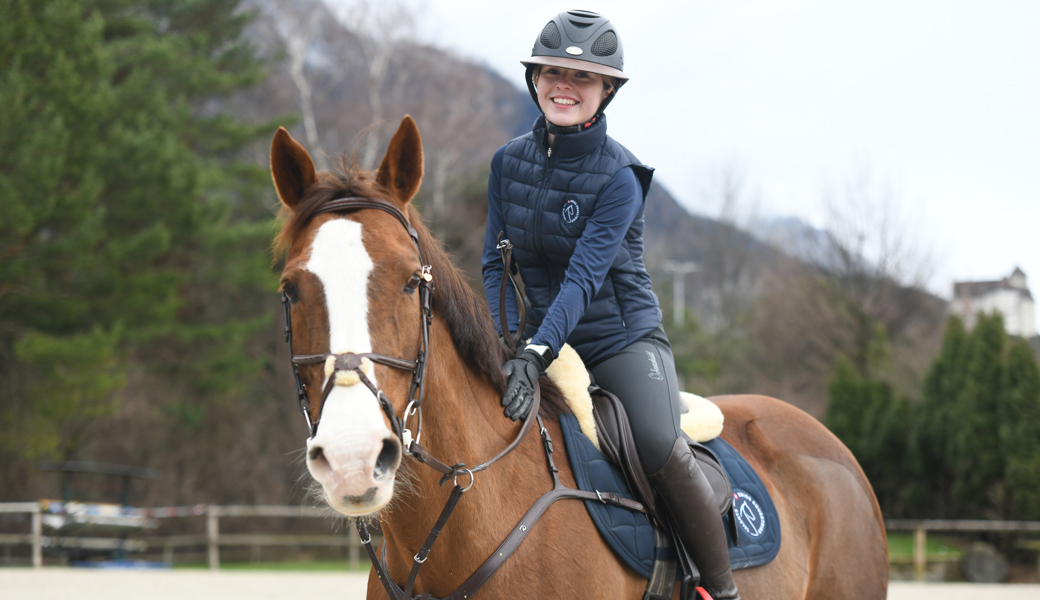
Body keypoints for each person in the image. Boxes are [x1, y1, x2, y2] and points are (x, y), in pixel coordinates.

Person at [481, 9, 740, 600]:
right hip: (536, 337)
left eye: (582, 78)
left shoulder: (621, 177)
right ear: (534, 80)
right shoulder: (505, 164)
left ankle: (721, 589)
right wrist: (507, 341)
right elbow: (496, 263)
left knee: (654, 442)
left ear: (607, 90)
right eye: (551, 72)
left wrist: (536, 351)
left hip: (618, 338)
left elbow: (583, 278)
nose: (563, 86)